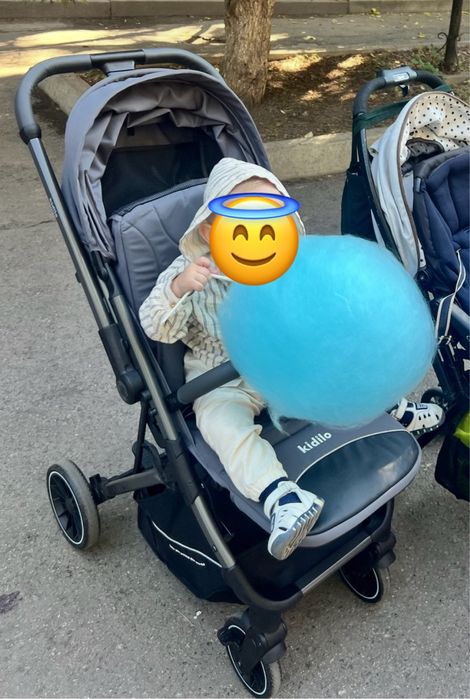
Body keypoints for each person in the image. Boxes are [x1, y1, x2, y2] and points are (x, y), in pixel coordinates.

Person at [139, 157, 443, 560]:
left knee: (343, 365)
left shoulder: (284, 262)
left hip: (282, 365)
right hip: (221, 377)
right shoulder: (193, 271)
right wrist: (179, 287)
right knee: (222, 424)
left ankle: (393, 408)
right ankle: (281, 497)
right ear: (212, 229)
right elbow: (155, 326)